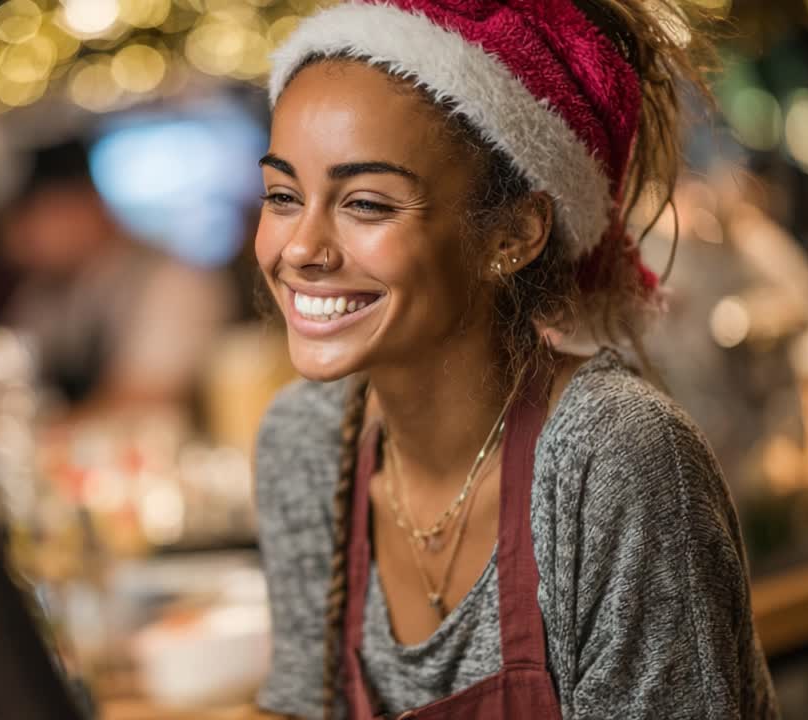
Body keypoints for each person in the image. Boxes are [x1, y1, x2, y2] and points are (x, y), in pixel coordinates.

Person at [250, 1, 779, 719]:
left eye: (367, 204)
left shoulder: (612, 457)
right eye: (283, 195)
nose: (300, 248)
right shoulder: (306, 444)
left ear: (515, 233)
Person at [0, 140, 234, 417]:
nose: (20, 240)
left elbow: (148, 399)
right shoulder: (42, 293)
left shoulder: (175, 280)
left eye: (34, 218)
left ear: (87, 206)